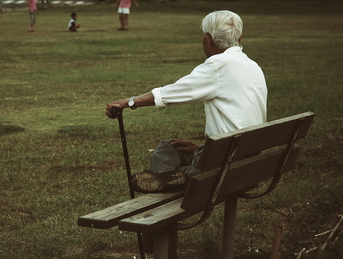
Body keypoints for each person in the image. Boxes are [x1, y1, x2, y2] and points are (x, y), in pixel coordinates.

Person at [105, 10, 267, 193]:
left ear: (207, 39)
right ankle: (176, 177)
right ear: (240, 38)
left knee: (175, 165)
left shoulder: (218, 65)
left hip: (221, 165)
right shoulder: (253, 66)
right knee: (169, 147)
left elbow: (172, 93)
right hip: (243, 158)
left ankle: (178, 178)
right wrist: (201, 148)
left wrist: (130, 101)